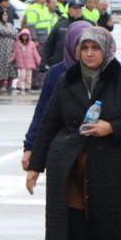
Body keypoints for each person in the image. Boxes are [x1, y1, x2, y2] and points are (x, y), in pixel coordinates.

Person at [26, 26, 121, 240]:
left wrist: (112, 128)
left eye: (95, 48)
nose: (89, 54)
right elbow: (48, 123)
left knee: (110, 224)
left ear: (107, 50)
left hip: (110, 169)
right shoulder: (67, 80)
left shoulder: (120, 80)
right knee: (73, 226)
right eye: (84, 48)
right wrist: (35, 166)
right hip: (69, 166)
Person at [21, 20, 93, 171]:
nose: (86, 51)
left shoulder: (106, 73)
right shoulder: (56, 73)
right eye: (79, 44)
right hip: (61, 149)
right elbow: (43, 113)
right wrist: (30, 146)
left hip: (97, 150)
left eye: (91, 45)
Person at [0, 8, 17, 90]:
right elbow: (3, 31)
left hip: (11, 49)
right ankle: (1, 84)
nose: (6, 16)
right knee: (1, 65)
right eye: (4, 15)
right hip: (0, 50)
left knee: (11, 66)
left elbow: (16, 32)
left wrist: (11, 33)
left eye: (6, 15)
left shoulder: (9, 24)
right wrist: (11, 33)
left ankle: (9, 84)